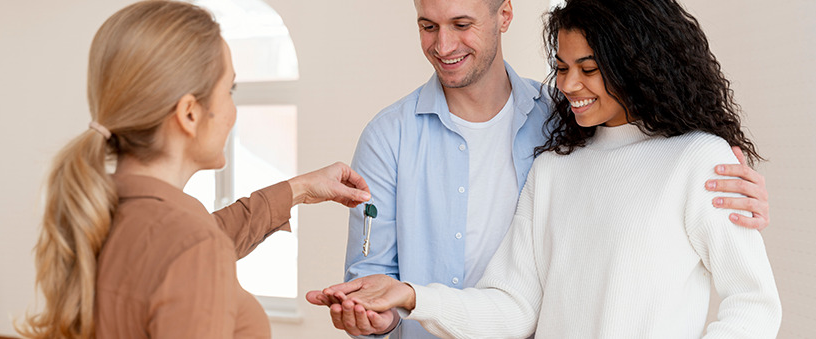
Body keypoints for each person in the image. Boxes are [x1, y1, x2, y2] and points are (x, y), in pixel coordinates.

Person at [309, 0, 783, 337]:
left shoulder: (698, 160)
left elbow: (754, 303)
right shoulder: (556, 165)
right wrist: (413, 295)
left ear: (637, 64)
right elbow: (514, 307)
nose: (570, 85)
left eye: (589, 68)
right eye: (561, 67)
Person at [15, 1, 370, 338]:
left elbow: (205, 234)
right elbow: (195, 244)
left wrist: (301, 188)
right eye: (229, 89)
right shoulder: (191, 244)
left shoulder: (101, 210)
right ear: (189, 113)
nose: (233, 110)